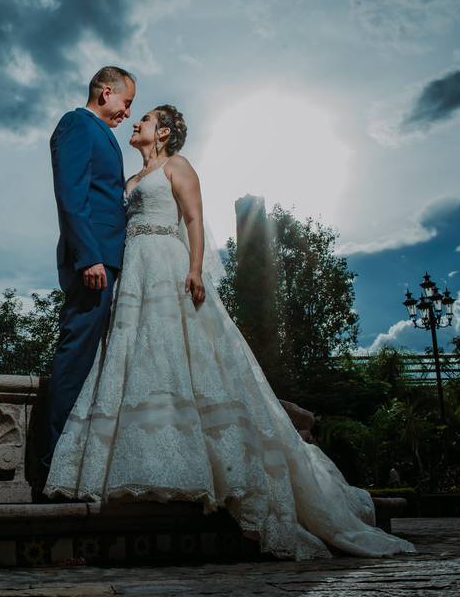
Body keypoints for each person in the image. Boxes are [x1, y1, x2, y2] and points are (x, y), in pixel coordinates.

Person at [43, 104, 415, 560]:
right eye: (135, 115)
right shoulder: (130, 181)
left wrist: (196, 268)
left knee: (185, 356)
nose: (135, 123)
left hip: (168, 266)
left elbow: (195, 220)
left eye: (144, 118)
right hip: (135, 277)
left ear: (162, 133)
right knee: (142, 358)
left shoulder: (178, 167)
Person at [41, 66, 136, 479]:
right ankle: (49, 466)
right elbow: (71, 194)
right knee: (76, 355)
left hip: (110, 259)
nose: (128, 113)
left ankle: (78, 464)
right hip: (93, 262)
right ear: (106, 91)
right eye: (126, 102)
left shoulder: (107, 136)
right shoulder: (76, 124)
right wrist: (88, 257)